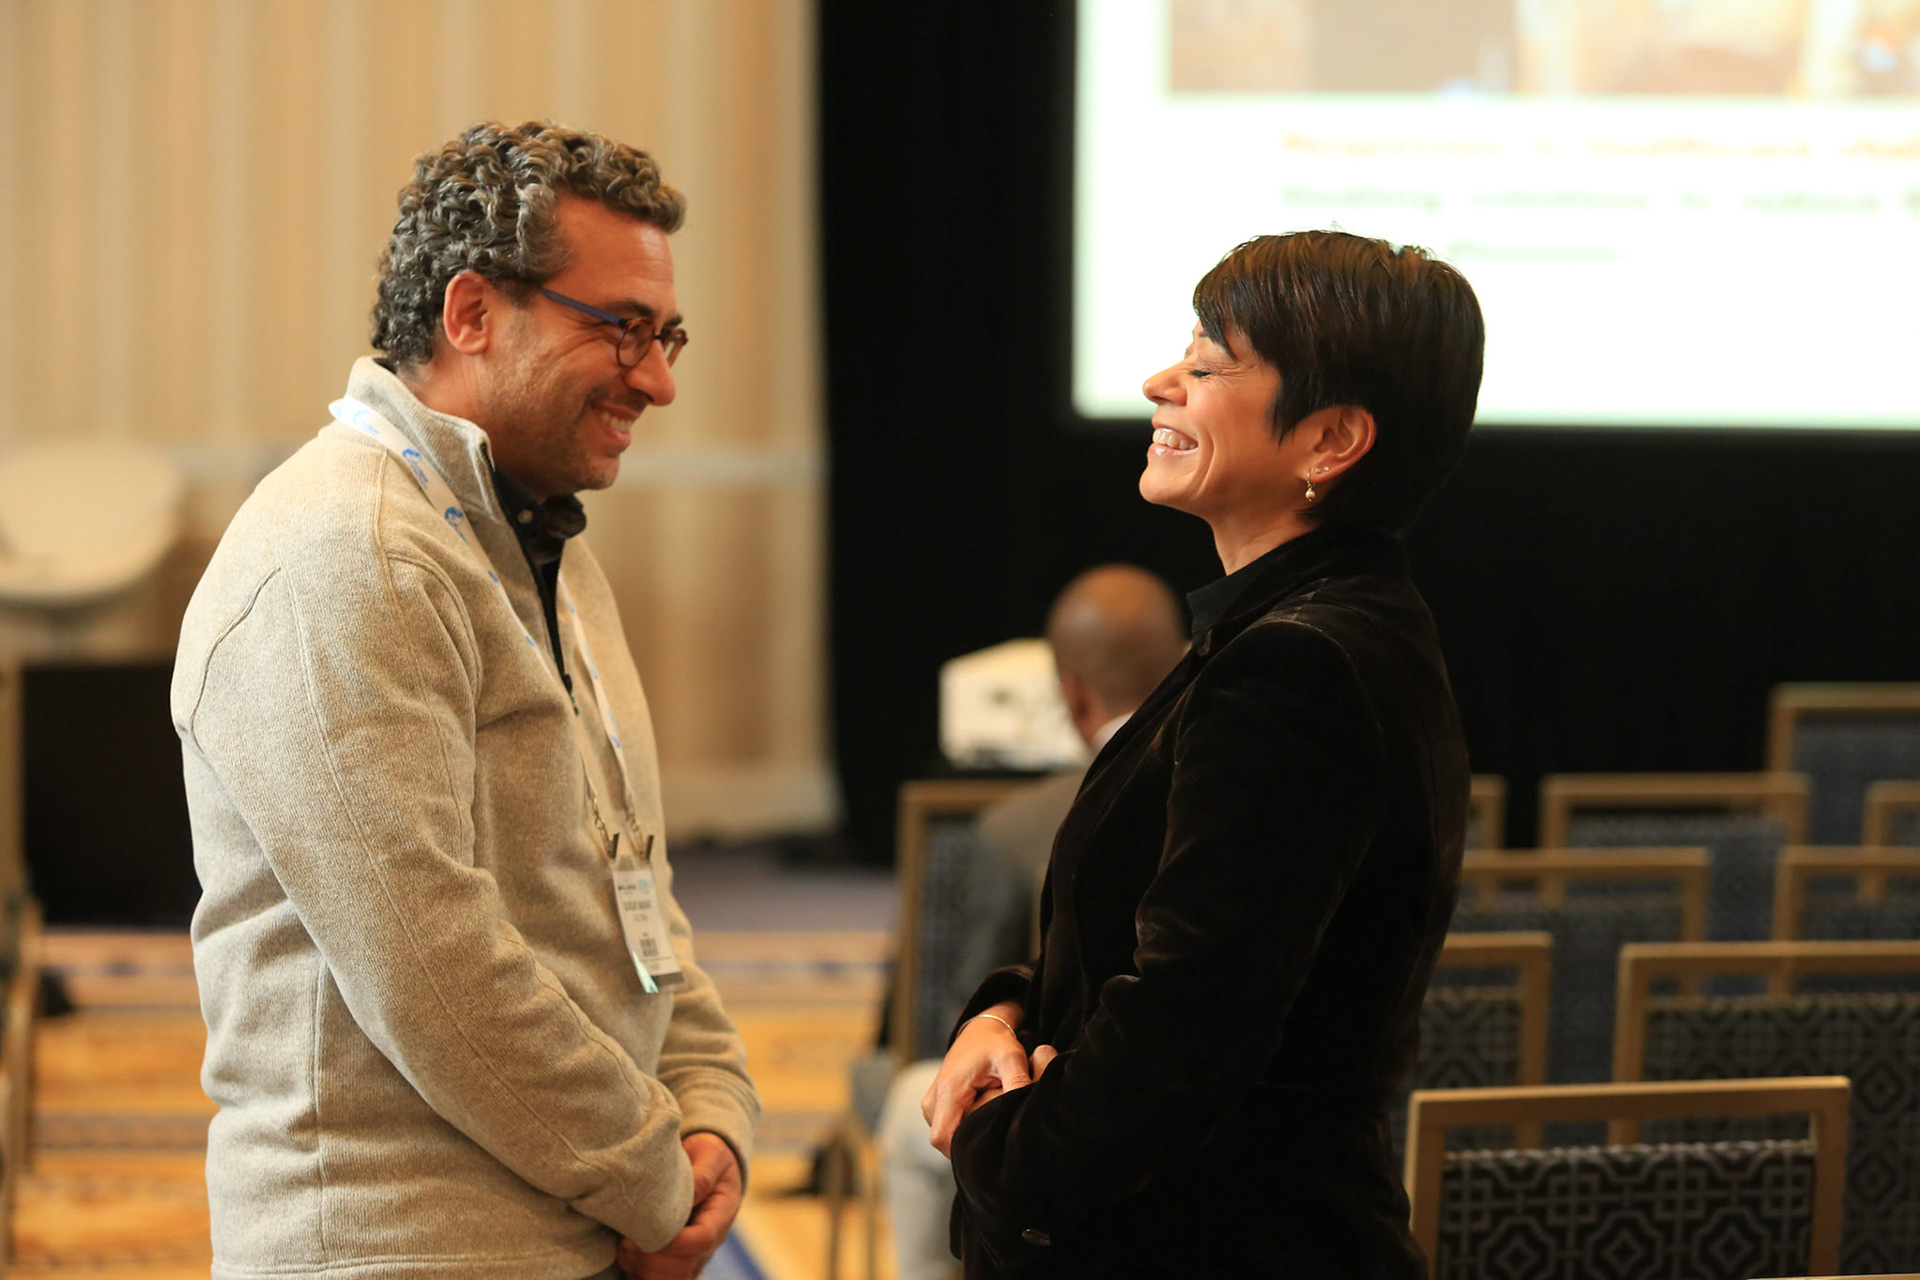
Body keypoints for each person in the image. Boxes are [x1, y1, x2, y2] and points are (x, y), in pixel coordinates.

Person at [173, 121, 758, 1280]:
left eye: (668, 331)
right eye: (623, 328)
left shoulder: (535, 529)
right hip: (405, 1242)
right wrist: (653, 1174)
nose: (661, 378)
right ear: (473, 312)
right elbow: (435, 972)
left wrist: (708, 1098)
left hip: (566, 1208)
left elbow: (628, 877)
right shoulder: (350, 555)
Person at [923, 230, 1483, 1278]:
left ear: (1329, 441)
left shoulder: (1296, 666)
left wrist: (997, 1151)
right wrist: (998, 1011)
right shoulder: (1307, 626)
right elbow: (1140, 926)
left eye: (1208, 365)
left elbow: (1187, 1031)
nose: (1158, 383)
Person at [879, 565, 1188, 1280]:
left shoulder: (1021, 827)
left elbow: (958, 1017)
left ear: (1069, 690)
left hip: (1066, 1118)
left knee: (917, 1104)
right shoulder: (1250, 794)